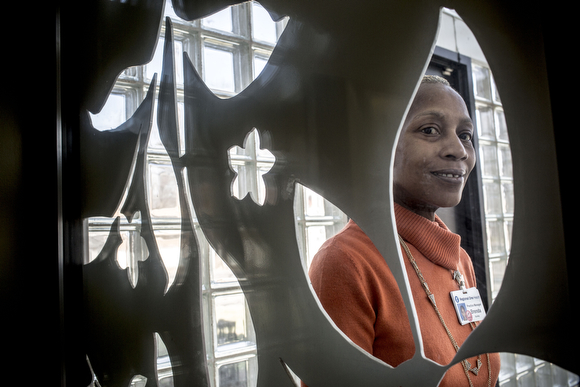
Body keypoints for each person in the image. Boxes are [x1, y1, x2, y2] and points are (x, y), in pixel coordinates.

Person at [304, 75, 500, 386]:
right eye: (430, 130)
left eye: (465, 135)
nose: (458, 150)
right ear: (380, 146)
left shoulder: (458, 259)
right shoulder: (345, 263)